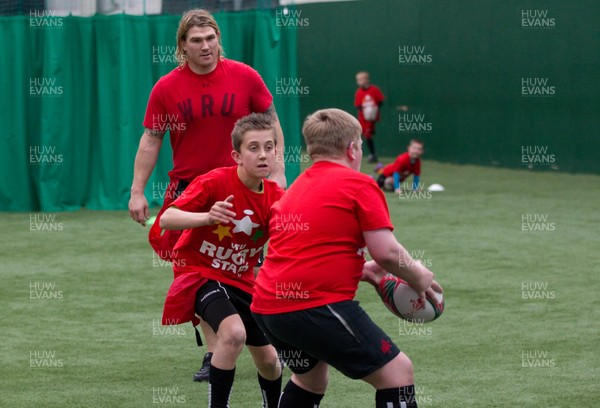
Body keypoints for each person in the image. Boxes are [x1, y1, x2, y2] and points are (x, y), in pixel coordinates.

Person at [127, 9, 286, 381]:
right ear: (183, 45)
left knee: (253, 267)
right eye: (196, 40)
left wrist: (277, 171)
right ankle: (215, 352)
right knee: (194, 271)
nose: (205, 46)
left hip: (242, 188)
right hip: (191, 193)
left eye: (210, 38)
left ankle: (267, 344)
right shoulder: (166, 88)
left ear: (219, 39)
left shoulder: (245, 76)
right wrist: (137, 191)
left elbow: (271, 120)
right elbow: (152, 139)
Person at [251, 109, 442, 408]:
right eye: (361, 147)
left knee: (310, 379)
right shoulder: (359, 184)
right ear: (352, 149)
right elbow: (387, 252)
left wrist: (362, 271)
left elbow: (306, 248)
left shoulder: (294, 190)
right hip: (313, 304)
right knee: (398, 372)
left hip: (267, 307)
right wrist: (419, 277)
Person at [159, 113, 284, 407]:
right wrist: (207, 217)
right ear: (236, 155)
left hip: (242, 280)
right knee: (233, 333)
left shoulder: (277, 196)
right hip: (199, 273)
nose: (263, 154)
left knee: (269, 361)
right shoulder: (214, 182)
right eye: (253, 148)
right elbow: (167, 218)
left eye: (269, 147)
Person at [354, 71, 385, 163]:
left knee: (367, 135)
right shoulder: (359, 92)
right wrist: (365, 110)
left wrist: (374, 109)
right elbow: (358, 105)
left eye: (360, 80)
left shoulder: (374, 90)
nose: (358, 82)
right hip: (362, 118)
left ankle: (372, 155)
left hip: (371, 119)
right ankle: (358, 153)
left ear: (366, 80)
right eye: (358, 80)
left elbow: (380, 101)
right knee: (360, 134)